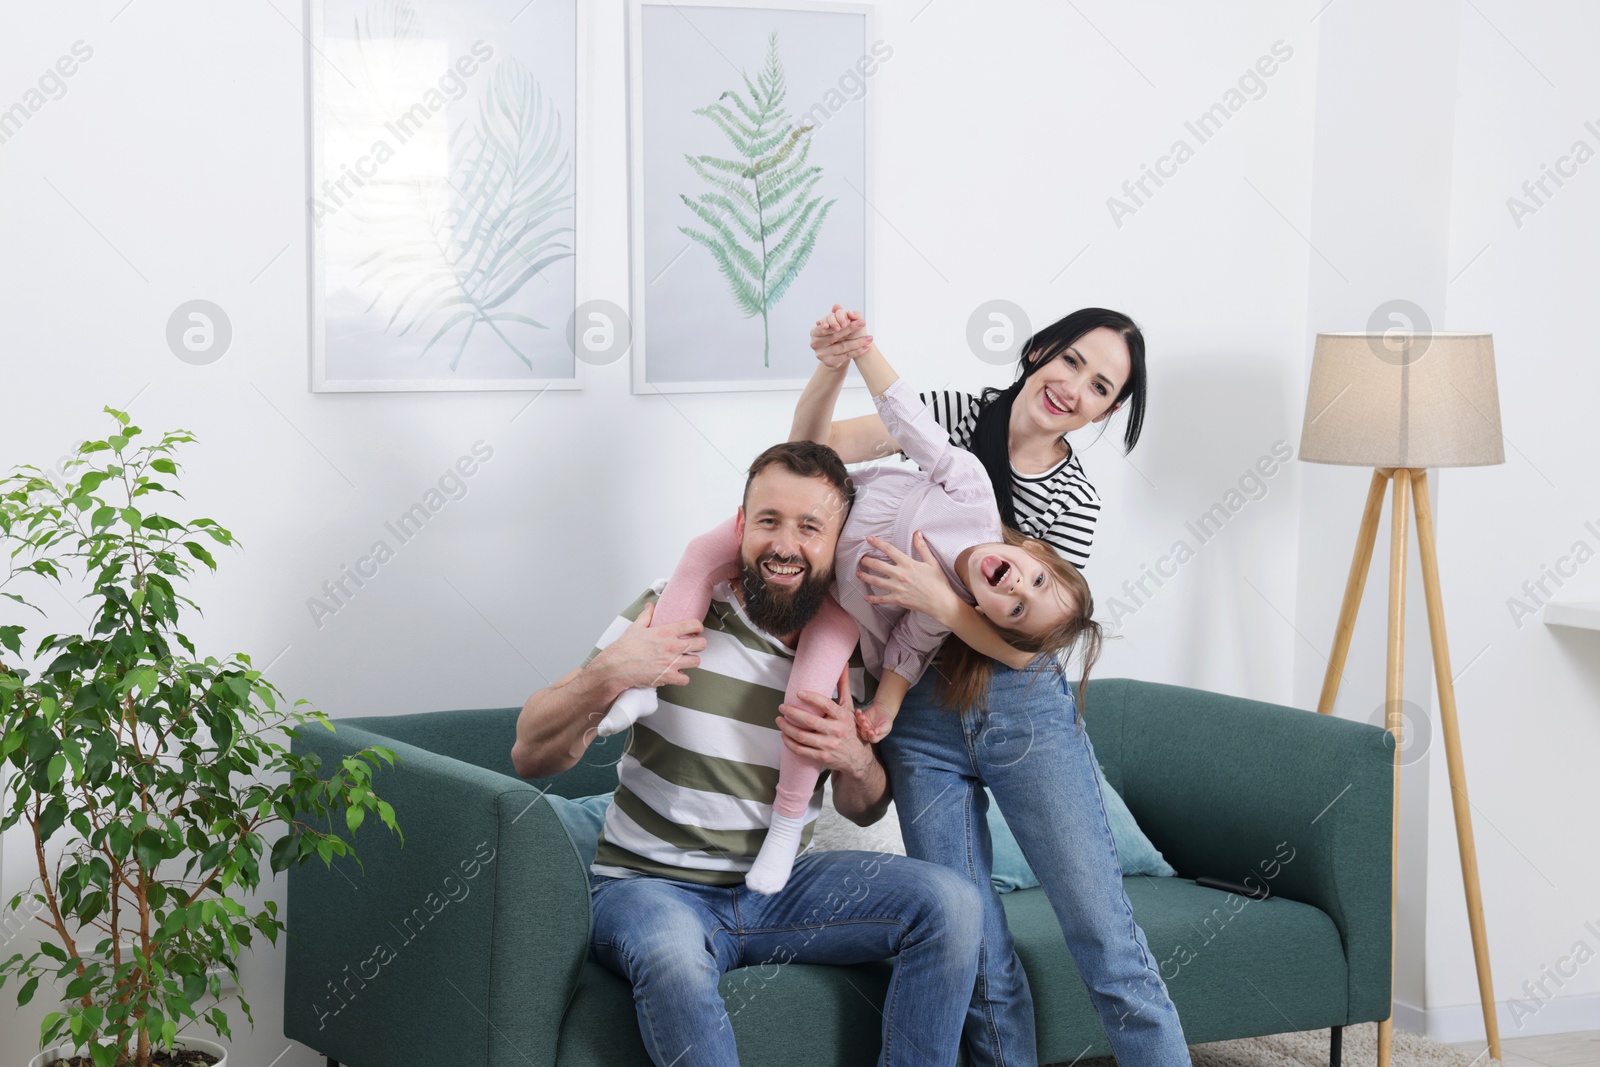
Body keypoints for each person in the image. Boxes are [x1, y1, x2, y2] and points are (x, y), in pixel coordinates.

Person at [793, 307, 1193, 1066]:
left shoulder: (1074, 497)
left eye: (1101, 385)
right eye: (1070, 360)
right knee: (975, 947)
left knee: (1104, 936)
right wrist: (833, 363)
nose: (1074, 386)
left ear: (1109, 410)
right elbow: (814, 451)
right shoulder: (963, 414)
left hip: (1020, 707)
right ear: (1040, 349)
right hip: (915, 709)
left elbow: (1018, 644)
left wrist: (938, 600)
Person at [511, 440, 984, 1067]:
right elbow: (529, 755)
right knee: (673, 958)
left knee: (951, 903)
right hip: (650, 885)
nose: (785, 545)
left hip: (781, 887)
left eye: (810, 527)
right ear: (741, 525)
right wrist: (608, 675)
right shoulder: (672, 609)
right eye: (768, 521)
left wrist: (855, 758)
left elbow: (864, 807)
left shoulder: (856, 651)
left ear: (837, 540)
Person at [597, 342, 1102, 895]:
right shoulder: (973, 493)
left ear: (985, 615)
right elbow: (909, 422)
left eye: (1017, 609)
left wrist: (883, 710)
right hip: (812, 522)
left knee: (809, 697)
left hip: (832, 595)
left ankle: (786, 828)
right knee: (698, 555)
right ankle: (642, 686)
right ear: (1033, 549)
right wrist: (863, 353)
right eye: (1035, 579)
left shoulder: (942, 610)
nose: (1016, 586)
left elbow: (907, 655)